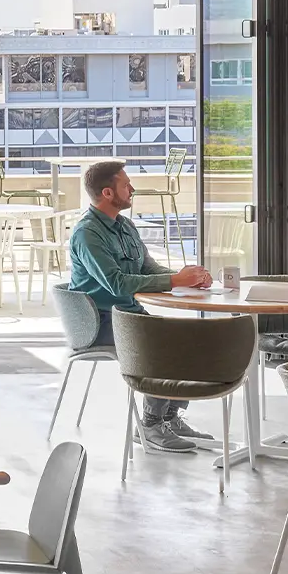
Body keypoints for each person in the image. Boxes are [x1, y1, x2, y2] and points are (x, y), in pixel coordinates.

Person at [63, 159, 219, 454]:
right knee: (161, 343)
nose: (132, 188)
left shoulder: (124, 226)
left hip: (127, 315)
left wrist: (187, 279)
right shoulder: (87, 233)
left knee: (186, 337)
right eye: (126, 184)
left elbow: (147, 268)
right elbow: (117, 284)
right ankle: (149, 425)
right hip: (98, 322)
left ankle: (170, 418)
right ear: (108, 193)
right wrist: (174, 280)